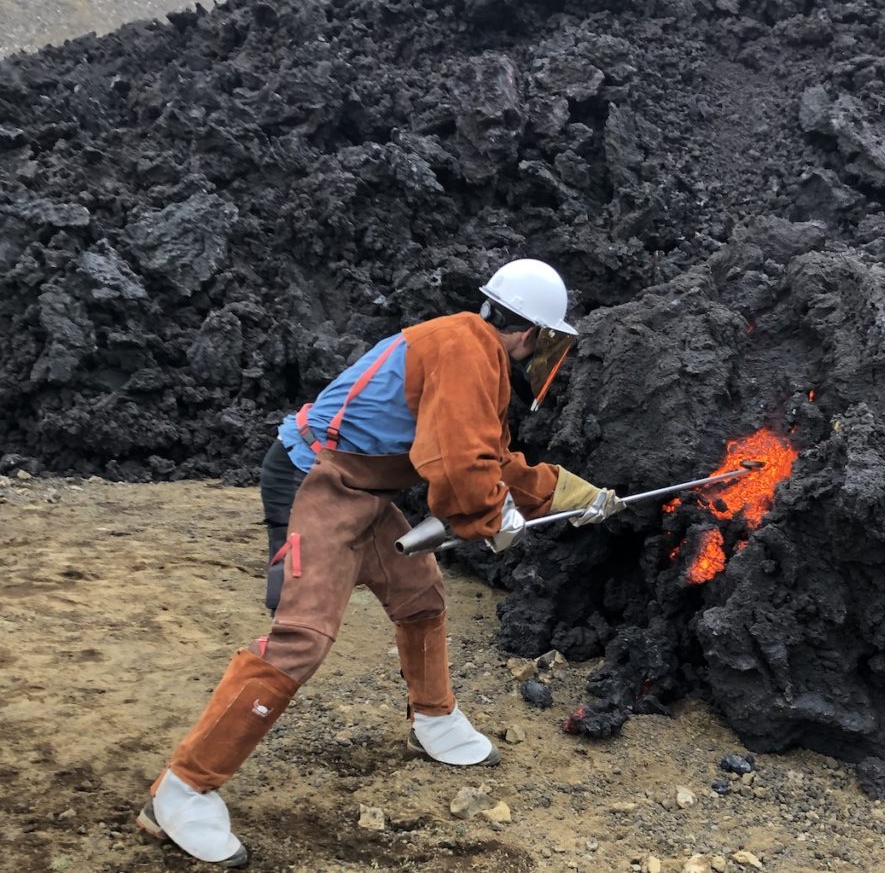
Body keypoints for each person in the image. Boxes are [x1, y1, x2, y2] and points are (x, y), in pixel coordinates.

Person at [135, 258, 625, 867]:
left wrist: (569, 493)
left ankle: (435, 720)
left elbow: (488, 459)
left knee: (420, 594)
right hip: (315, 480)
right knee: (302, 638)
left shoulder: (467, 345)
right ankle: (182, 791)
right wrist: (492, 517)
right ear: (533, 333)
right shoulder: (467, 351)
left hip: (360, 490)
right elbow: (460, 472)